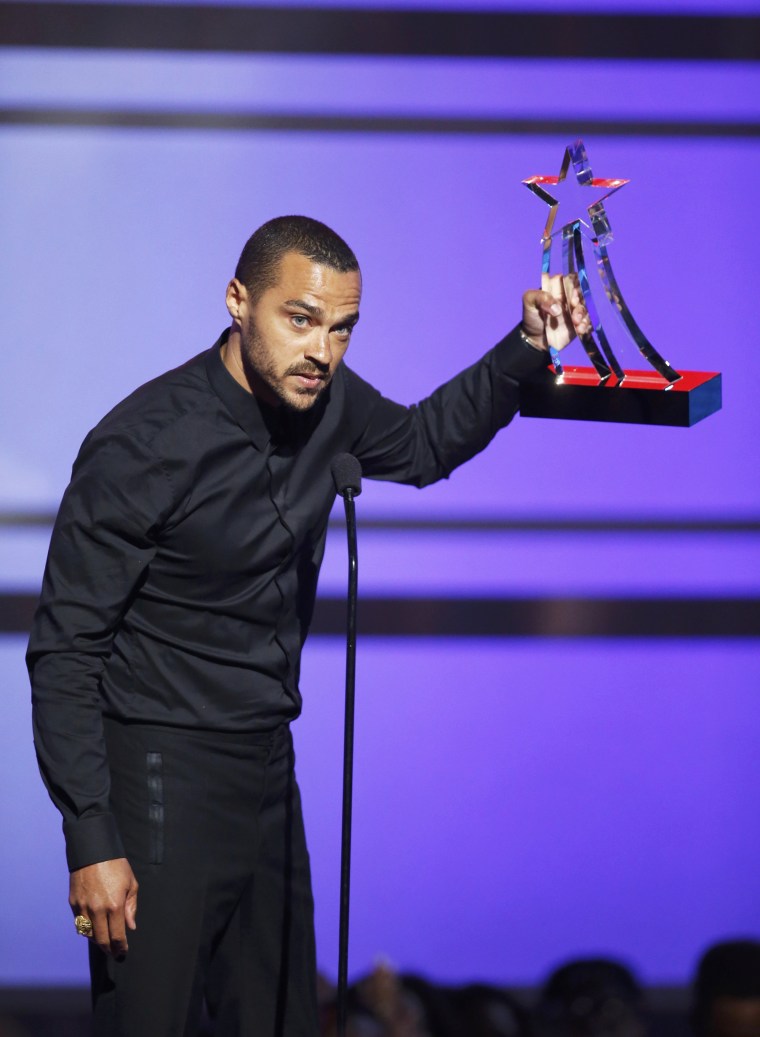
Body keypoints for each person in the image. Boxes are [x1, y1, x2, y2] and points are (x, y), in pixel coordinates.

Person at [27, 215, 590, 1037]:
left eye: (342, 329)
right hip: (156, 768)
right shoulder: (142, 442)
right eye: (301, 319)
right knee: (149, 1020)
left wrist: (527, 346)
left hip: (265, 767)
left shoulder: (329, 403)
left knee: (283, 1015)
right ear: (238, 301)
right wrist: (90, 836)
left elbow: (426, 444)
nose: (322, 350)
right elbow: (66, 647)